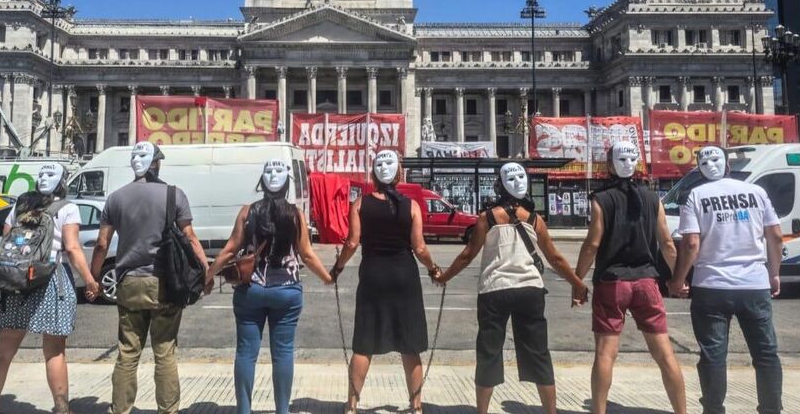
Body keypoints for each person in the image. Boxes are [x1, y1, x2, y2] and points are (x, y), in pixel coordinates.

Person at [435, 162, 589, 414]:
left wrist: (444, 277)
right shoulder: (535, 219)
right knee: (538, 352)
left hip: (494, 290)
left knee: (489, 352)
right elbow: (555, 259)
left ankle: (482, 411)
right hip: (529, 289)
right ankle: (551, 411)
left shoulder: (487, 218)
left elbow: (467, 255)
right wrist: (578, 284)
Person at [204, 159, 334, 414]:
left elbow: (230, 249)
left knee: (245, 353)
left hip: (250, 289)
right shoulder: (295, 214)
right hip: (286, 291)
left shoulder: (247, 211)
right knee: (283, 353)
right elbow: (306, 254)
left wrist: (208, 276)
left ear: (263, 182)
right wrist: (327, 278)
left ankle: (244, 409)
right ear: (287, 183)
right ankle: (282, 410)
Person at [90, 141, 209, 414]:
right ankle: (168, 410)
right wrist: (206, 272)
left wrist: (94, 278)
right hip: (165, 282)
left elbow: (101, 244)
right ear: (156, 163)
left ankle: (120, 409)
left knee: (127, 352)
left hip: (129, 281)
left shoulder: (116, 198)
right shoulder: (174, 195)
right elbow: (190, 237)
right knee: (164, 351)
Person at [574, 141, 687, 414]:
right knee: (664, 353)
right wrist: (677, 279)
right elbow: (668, 244)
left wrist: (578, 281)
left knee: (605, 353)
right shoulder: (653, 198)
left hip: (612, 282)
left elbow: (592, 244)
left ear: (609, 165)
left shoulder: (601, 199)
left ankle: (598, 411)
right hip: (647, 281)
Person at [669, 146, 783, 414]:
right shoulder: (756, 192)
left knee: (713, 355)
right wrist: (774, 273)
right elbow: (775, 237)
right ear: (729, 166)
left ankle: (713, 409)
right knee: (765, 354)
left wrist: (678, 279)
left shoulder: (696, 195)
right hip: (754, 284)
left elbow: (691, 243)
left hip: (711, 286)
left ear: (699, 168)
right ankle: (771, 409)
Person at [329, 149, 441, 414]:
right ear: (399, 174)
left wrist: (338, 267)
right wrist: (435, 270)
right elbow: (420, 248)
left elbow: (352, 242)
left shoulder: (361, 204)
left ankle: (352, 405)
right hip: (405, 277)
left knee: (363, 343)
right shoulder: (411, 206)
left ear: (374, 174)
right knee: (409, 343)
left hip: (372, 276)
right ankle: (416, 406)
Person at [0, 164, 100, 414]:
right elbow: (71, 248)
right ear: (63, 183)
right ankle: (61, 408)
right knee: (54, 351)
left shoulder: (20, 205)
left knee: (4, 350)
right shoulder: (67, 208)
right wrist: (90, 280)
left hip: (15, 280)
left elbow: (5, 247)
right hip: (51, 279)